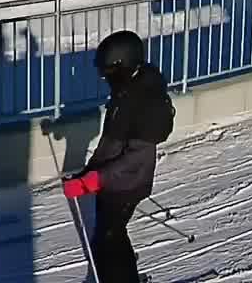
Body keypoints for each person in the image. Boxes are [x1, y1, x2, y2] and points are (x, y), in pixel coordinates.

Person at [62, 31, 174, 283]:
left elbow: (136, 158)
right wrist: (88, 172)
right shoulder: (126, 91)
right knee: (108, 235)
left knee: (109, 236)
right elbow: (111, 140)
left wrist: (95, 178)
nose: (104, 77)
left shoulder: (146, 101)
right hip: (113, 181)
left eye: (108, 71)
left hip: (129, 183)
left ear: (123, 66)